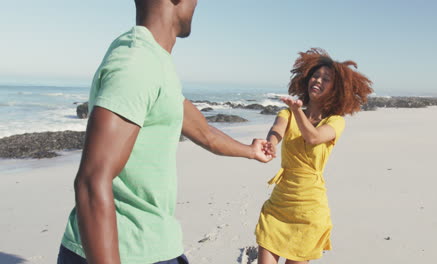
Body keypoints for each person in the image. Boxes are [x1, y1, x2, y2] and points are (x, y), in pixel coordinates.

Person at [57, 0, 274, 263]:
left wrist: (250, 151)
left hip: (154, 242)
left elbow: (204, 132)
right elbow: (91, 181)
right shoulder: (137, 62)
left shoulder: (155, 61)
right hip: (124, 250)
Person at [255, 48, 373, 264]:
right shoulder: (287, 113)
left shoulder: (335, 121)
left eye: (325, 79)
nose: (317, 80)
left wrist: (298, 111)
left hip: (309, 210)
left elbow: (314, 137)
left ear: (335, 89)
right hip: (279, 204)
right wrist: (270, 144)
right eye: (315, 76)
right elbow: (276, 130)